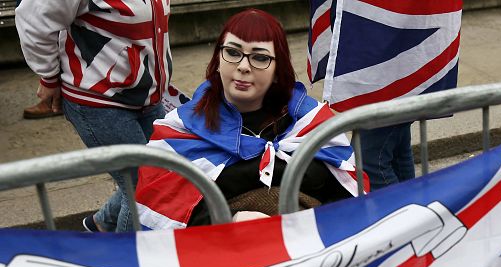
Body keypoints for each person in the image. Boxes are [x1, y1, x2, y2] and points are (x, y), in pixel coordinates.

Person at [135, 9, 362, 229]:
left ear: (277, 69)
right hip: (221, 255)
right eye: (232, 53)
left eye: (260, 57)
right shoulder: (180, 128)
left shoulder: (310, 120)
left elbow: (346, 196)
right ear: (218, 59)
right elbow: (162, 214)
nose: (243, 66)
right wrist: (228, 221)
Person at [15, 0, 172, 232]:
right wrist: (48, 76)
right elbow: (33, 16)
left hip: (147, 97)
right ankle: (125, 261)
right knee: (144, 190)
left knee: (160, 174)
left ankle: (101, 224)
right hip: (99, 101)